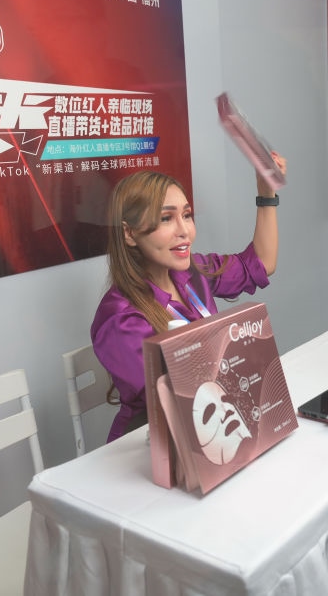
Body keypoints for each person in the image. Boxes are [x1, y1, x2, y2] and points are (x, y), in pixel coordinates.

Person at [90, 153, 287, 442]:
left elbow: (261, 263)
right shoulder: (120, 318)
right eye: (166, 218)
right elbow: (173, 400)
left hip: (213, 421)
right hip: (156, 440)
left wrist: (266, 194)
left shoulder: (193, 272)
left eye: (186, 215)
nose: (185, 232)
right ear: (129, 233)